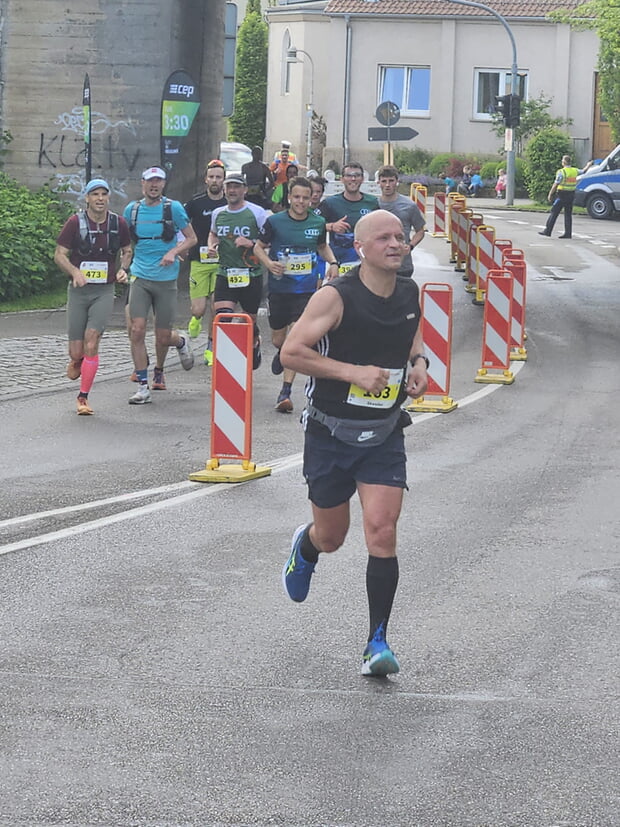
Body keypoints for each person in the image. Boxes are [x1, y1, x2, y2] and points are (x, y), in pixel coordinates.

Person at [280, 209, 429, 677]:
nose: (395, 243)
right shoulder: (336, 296)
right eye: (383, 237)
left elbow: (410, 331)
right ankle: (305, 548)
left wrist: (419, 362)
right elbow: (291, 352)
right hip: (329, 433)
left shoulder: (409, 292)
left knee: (382, 531)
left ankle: (377, 642)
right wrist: (353, 374)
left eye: (399, 237)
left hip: (383, 433)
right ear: (360, 248)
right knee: (333, 536)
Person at [253, 176, 338, 413]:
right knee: (280, 339)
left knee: (296, 337)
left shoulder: (318, 222)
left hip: (306, 290)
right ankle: (282, 353)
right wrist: (269, 264)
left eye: (305, 197)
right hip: (280, 288)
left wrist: (333, 262)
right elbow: (258, 247)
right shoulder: (276, 222)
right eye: (296, 197)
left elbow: (322, 246)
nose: (301, 202)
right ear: (289, 197)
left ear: (312, 199)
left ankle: (285, 392)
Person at [54, 178, 133, 415]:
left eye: (104, 194)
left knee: (93, 338)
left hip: (103, 291)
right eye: (95, 194)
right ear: (87, 198)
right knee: (76, 351)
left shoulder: (118, 223)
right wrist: (74, 271)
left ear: (109, 197)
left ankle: (83, 397)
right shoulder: (74, 223)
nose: (100, 198)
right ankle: (78, 360)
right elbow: (59, 255)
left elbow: (127, 250)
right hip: (79, 291)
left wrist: (123, 268)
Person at [124, 166, 197, 405]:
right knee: (136, 329)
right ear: (142, 183)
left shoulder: (173, 208)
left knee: (163, 336)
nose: (154, 185)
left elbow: (191, 238)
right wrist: (122, 267)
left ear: (163, 185)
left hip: (165, 279)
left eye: (158, 181)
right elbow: (125, 243)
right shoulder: (132, 210)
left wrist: (174, 252)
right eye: (150, 181)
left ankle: (181, 341)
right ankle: (143, 386)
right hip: (140, 277)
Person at [208, 172, 269, 370]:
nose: (232, 190)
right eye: (229, 187)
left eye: (236, 187)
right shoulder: (218, 213)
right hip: (225, 273)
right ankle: (227, 363)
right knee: (223, 317)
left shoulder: (257, 213)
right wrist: (212, 245)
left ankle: (254, 341)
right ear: (225, 190)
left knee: (248, 320)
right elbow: (213, 234)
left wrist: (250, 243)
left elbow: (268, 242)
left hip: (250, 274)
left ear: (244, 190)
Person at [184, 159, 228, 366]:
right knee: (199, 309)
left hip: (221, 262)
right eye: (211, 177)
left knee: (216, 307)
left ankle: (211, 347)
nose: (215, 180)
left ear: (224, 180)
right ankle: (195, 320)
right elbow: (180, 225)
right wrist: (180, 247)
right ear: (205, 180)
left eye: (218, 177)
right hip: (198, 261)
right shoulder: (195, 203)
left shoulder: (229, 204)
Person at [318, 161, 379, 275]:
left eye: (357, 175)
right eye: (349, 175)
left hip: (365, 263)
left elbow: (380, 229)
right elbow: (312, 225)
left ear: (362, 179)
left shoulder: (372, 202)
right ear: (342, 179)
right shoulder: (330, 203)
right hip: (340, 264)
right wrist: (332, 226)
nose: (353, 179)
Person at [377, 164, 425, 278]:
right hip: (379, 265)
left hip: (403, 266)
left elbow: (420, 231)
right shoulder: (373, 205)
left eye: (391, 181)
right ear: (378, 182)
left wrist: (410, 246)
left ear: (397, 182)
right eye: (384, 181)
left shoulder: (409, 206)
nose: (387, 185)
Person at [538, 154, 593, 239]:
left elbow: (556, 184)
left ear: (564, 162)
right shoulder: (574, 170)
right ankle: (568, 233)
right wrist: (588, 165)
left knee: (554, 212)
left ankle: (548, 231)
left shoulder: (561, 172)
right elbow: (583, 171)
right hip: (571, 195)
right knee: (568, 214)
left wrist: (550, 194)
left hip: (562, 195)